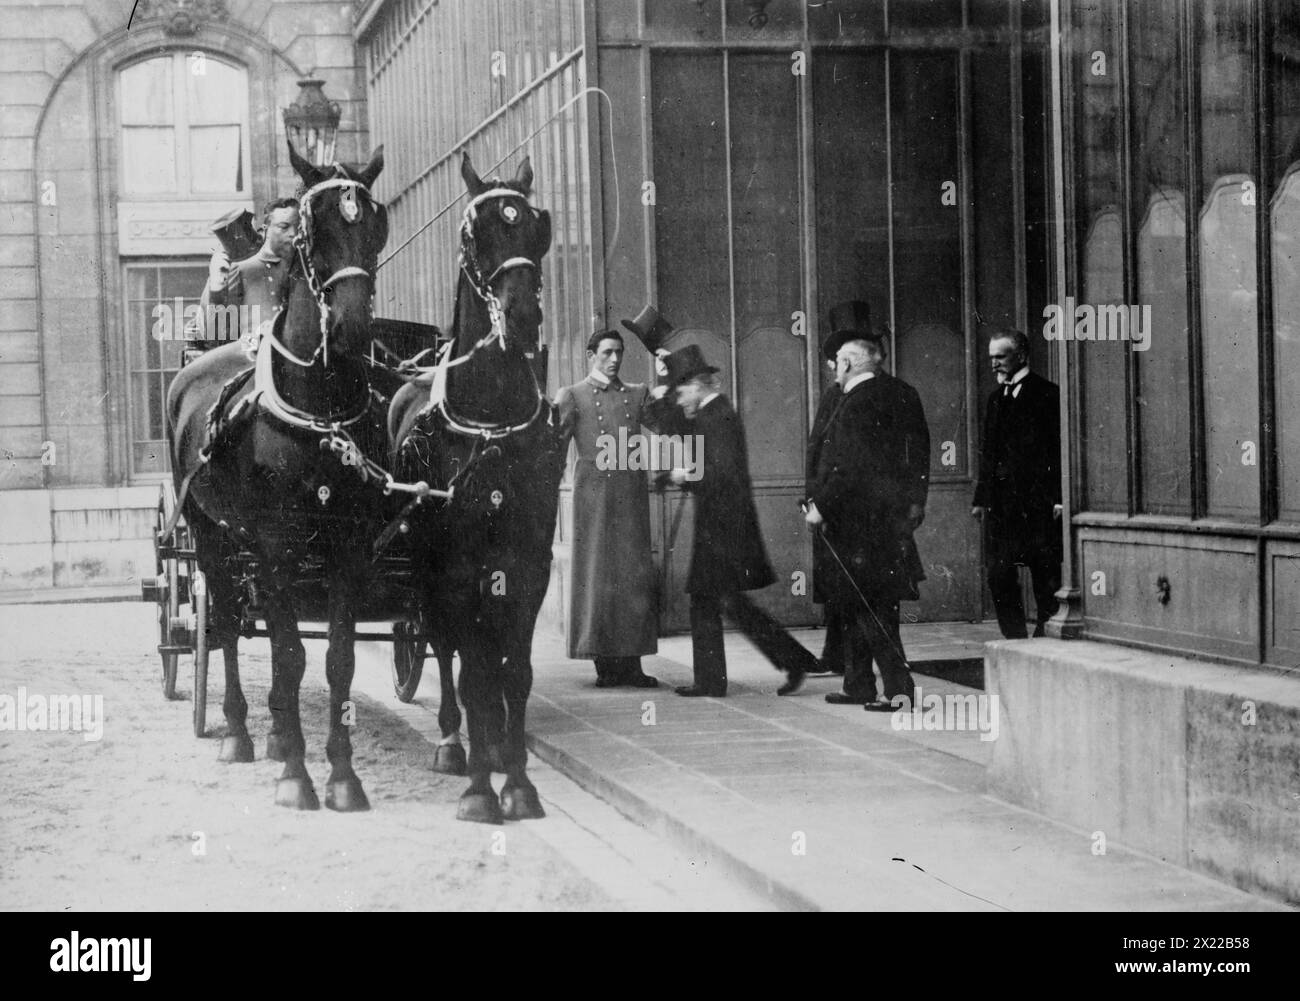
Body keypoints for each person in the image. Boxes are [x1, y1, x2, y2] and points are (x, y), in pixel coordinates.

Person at [648, 344, 819, 698]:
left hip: (725, 527)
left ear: (697, 384)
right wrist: (665, 380)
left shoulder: (719, 417)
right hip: (720, 523)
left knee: (716, 600)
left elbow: (721, 474)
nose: (680, 400)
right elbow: (667, 422)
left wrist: (683, 476)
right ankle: (784, 661)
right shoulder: (710, 413)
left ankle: (739, 674)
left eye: (682, 392)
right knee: (720, 601)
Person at [804, 301, 929, 712]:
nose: (832, 370)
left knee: (871, 607)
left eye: (837, 362)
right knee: (858, 602)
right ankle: (858, 684)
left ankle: (898, 690)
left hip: (859, 525)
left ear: (847, 363)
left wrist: (819, 505)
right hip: (880, 523)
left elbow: (847, 466)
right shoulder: (889, 393)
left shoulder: (856, 402)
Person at [555, 327, 663, 688]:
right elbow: (554, 450)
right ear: (591, 356)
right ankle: (604, 663)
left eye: (619, 352)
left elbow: (667, 425)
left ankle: (632, 664)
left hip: (630, 499)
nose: (615, 359)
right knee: (599, 578)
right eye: (606, 353)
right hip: (594, 501)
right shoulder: (573, 396)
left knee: (632, 579)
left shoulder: (636, 395)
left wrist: (669, 378)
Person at [972, 326, 1062, 638]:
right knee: (998, 574)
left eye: (1001, 356)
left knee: (1043, 571)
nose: (994, 363)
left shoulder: (1047, 394)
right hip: (1001, 506)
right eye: (991, 358)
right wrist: (981, 499)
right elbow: (988, 453)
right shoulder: (995, 399)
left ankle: (1045, 631)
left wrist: (1059, 498)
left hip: (1037, 503)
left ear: (1021, 355)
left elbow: (1057, 450)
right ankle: (1013, 637)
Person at [189, 197, 299, 346]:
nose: (293, 233)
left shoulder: (302, 266)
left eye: (298, 227)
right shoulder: (240, 267)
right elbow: (217, 335)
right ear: (266, 229)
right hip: (252, 356)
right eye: (283, 226)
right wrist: (217, 285)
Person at [807, 330, 847, 676]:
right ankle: (835, 652)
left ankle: (840, 654)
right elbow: (816, 449)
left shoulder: (850, 396)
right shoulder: (832, 395)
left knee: (849, 584)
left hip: (840, 503)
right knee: (835, 583)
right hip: (825, 502)